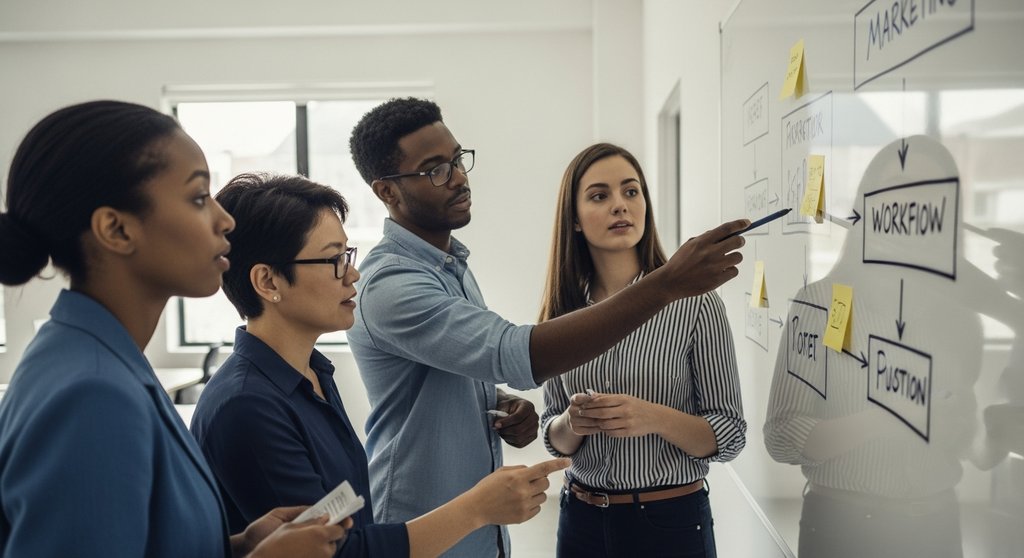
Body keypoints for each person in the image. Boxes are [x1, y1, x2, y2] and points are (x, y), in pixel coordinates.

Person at [345, 97, 749, 556]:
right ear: (387, 191)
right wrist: (664, 284)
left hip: (658, 520)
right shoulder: (394, 284)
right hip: (436, 528)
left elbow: (730, 432)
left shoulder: (451, 268)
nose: (459, 177)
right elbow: (512, 357)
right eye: (435, 169)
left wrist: (494, 403)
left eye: (458, 159)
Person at [0, 101, 348, 558]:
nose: (225, 220)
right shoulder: (92, 394)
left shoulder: (102, 358)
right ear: (116, 229)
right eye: (199, 198)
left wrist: (240, 547)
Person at [190, 172, 569, 558]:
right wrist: (476, 509)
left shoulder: (311, 374)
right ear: (268, 281)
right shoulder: (246, 406)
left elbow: (338, 517)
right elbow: (334, 552)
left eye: (347, 255)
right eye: (334, 259)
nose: (352, 274)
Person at [538, 143, 745, 557]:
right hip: (580, 519)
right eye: (600, 196)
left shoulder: (695, 302)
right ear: (574, 220)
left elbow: (730, 434)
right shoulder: (561, 313)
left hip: (670, 524)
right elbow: (553, 435)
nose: (620, 206)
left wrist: (652, 417)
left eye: (631, 192)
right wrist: (572, 423)